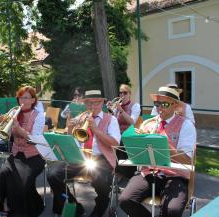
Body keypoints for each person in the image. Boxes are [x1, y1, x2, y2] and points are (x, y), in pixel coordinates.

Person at [119, 86, 196, 217]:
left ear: (174, 105)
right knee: (125, 200)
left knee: (172, 211)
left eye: (164, 104)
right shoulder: (148, 123)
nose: (159, 108)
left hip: (175, 175)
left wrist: (162, 143)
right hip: (149, 172)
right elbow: (138, 155)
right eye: (157, 103)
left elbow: (187, 160)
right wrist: (139, 140)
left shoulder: (186, 125)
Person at [47, 90, 121, 217]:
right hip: (80, 157)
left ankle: (100, 207)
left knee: (102, 182)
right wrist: (70, 129)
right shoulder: (81, 117)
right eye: (89, 103)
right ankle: (73, 204)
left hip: (100, 158)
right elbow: (72, 141)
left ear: (102, 102)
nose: (92, 107)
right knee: (53, 174)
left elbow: (115, 143)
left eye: (96, 103)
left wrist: (96, 129)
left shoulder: (111, 119)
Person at [0, 86, 46, 217]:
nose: (22, 100)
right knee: (3, 174)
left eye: (26, 97)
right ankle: (10, 206)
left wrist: (17, 126)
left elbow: (34, 138)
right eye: (20, 97)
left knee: (22, 182)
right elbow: (8, 136)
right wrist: (6, 124)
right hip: (16, 154)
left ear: (33, 100)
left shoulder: (39, 116)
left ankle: (27, 209)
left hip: (34, 156)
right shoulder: (14, 113)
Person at [107, 84, 141, 179]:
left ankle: (121, 172)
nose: (122, 95)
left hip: (129, 132)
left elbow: (132, 122)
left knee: (121, 140)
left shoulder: (135, 106)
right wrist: (110, 111)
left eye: (125, 93)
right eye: (120, 92)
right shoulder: (117, 106)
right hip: (118, 132)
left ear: (129, 94)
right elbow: (111, 121)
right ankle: (109, 168)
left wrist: (121, 110)